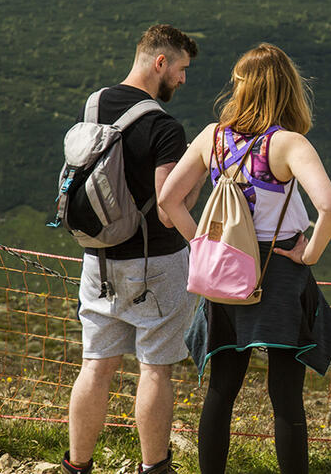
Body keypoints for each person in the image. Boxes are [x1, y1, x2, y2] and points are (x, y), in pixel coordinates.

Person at [159, 43, 331, 474]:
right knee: (285, 394)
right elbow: (330, 209)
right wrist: (309, 252)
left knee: (222, 389)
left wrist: (201, 245)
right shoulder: (287, 144)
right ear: (285, 89)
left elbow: (169, 199)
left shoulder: (212, 136)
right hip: (278, 269)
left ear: (243, 88)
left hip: (225, 267)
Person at [64, 24, 202, 474]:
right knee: (154, 370)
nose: (182, 79)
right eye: (181, 69)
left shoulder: (95, 104)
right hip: (156, 264)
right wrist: (198, 177)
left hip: (98, 258)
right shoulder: (165, 127)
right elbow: (167, 208)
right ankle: (154, 468)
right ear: (160, 62)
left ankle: (77, 465)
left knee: (96, 366)